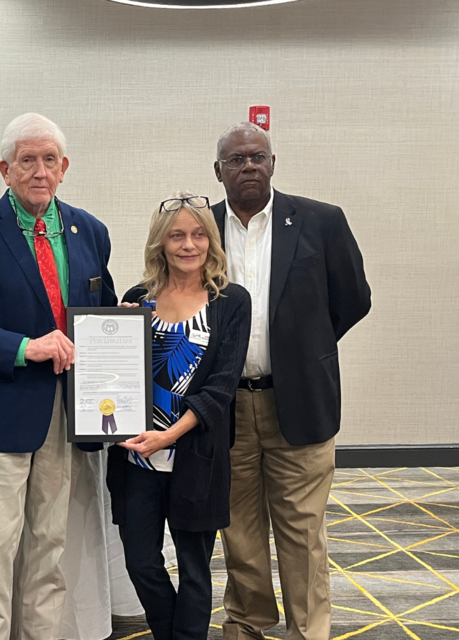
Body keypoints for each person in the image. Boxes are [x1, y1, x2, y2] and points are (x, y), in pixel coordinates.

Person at [0, 113, 118, 639]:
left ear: (64, 168)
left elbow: (100, 315)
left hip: (68, 416)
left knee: (48, 556)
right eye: (27, 160)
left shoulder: (90, 231)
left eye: (49, 160)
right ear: (5, 170)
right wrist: (24, 348)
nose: (40, 171)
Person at [211, 123, 371, 640]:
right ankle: (249, 622)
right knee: (238, 529)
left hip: (299, 400)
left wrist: (303, 350)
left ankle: (310, 631)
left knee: (302, 531)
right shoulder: (201, 229)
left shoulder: (321, 221)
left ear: (274, 163)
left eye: (258, 156)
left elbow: (352, 299)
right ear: (219, 172)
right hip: (225, 407)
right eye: (236, 160)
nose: (249, 166)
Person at [109, 193, 251, 640]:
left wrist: (169, 435)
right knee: (141, 562)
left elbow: (222, 387)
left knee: (193, 568)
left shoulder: (230, 302)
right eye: (177, 235)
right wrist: (115, 328)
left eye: (198, 235)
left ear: (211, 241)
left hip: (196, 456)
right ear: (161, 243)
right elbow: (111, 374)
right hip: (136, 460)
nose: (189, 244)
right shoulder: (137, 299)